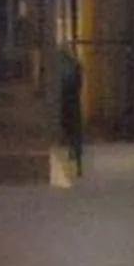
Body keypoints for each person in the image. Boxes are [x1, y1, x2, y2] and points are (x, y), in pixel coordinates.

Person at [55, 45, 85, 179]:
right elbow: (79, 84)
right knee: (75, 131)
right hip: (73, 102)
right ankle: (77, 164)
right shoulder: (76, 66)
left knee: (67, 128)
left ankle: (72, 155)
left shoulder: (60, 67)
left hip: (65, 102)